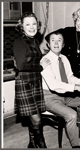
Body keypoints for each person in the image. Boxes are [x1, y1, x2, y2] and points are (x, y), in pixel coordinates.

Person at [40, 31, 80, 148]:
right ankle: (76, 146)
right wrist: (77, 87)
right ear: (48, 44)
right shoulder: (45, 61)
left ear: (63, 44)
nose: (56, 43)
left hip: (64, 95)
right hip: (49, 97)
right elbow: (53, 85)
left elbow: (70, 77)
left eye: (59, 40)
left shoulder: (64, 58)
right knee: (72, 116)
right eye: (53, 40)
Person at [13, 12, 51, 148]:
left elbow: (32, 59)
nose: (32, 27)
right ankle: (41, 145)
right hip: (25, 83)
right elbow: (22, 66)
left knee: (33, 118)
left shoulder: (35, 41)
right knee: (37, 119)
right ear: (22, 26)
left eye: (34, 24)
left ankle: (32, 144)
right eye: (27, 24)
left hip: (35, 81)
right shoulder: (19, 42)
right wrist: (40, 67)